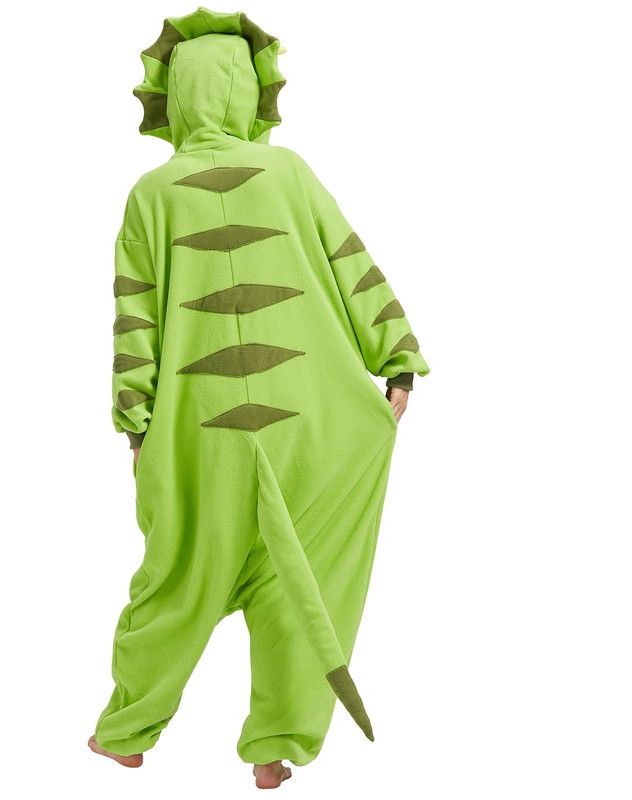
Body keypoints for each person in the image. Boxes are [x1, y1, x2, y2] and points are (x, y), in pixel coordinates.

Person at [88, 6, 430, 789]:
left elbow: (134, 317)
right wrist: (398, 362)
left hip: (196, 432)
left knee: (178, 578)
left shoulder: (150, 194)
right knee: (299, 575)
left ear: (174, 96)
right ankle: (274, 749)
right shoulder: (291, 174)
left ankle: (128, 733)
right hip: (315, 419)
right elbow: (351, 263)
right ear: (249, 90)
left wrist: (136, 425)